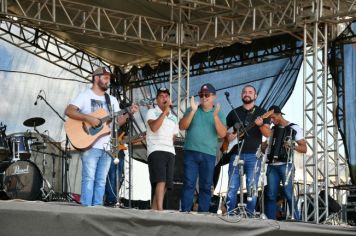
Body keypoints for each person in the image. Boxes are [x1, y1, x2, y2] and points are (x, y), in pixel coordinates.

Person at [65, 67, 138, 206]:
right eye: (105, 78)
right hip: (89, 144)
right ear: (96, 78)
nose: (108, 81)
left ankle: (97, 209)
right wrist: (90, 119)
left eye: (109, 78)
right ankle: (86, 208)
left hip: (107, 145)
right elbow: (69, 111)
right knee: (89, 178)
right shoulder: (85, 95)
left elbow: (117, 122)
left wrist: (129, 113)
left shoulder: (112, 100)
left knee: (101, 180)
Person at [179, 83, 227, 212]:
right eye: (201, 95)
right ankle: (185, 212)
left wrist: (215, 116)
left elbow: (222, 134)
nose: (204, 97)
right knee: (189, 183)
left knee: (206, 186)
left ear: (213, 97)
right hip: (191, 152)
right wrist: (193, 111)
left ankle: (204, 214)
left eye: (207, 95)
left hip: (209, 154)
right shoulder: (192, 109)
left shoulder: (219, 113)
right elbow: (182, 126)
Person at [225, 85, 271, 215]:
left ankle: (250, 216)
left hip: (253, 155)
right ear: (241, 95)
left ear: (255, 96)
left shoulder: (262, 112)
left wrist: (261, 124)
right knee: (232, 188)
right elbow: (223, 131)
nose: (247, 94)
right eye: (244, 92)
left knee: (252, 188)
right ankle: (230, 215)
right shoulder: (234, 113)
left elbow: (267, 134)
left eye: (250, 92)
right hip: (235, 154)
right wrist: (228, 136)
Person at [264, 105, 307, 220]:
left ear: (279, 114)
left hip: (286, 165)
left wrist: (292, 145)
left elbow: (304, 148)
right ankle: (270, 221)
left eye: (273, 118)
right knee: (271, 195)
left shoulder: (294, 127)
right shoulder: (272, 130)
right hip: (272, 166)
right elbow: (266, 148)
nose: (272, 121)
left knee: (288, 193)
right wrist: (264, 147)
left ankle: (297, 220)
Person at [145, 87, 179, 210]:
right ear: (157, 99)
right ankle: (160, 211)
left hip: (170, 151)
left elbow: (174, 137)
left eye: (166, 96)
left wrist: (167, 113)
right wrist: (164, 112)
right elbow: (154, 127)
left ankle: (154, 211)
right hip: (156, 149)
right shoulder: (152, 112)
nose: (164, 98)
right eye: (161, 96)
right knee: (160, 181)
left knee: (166, 184)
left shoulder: (174, 117)